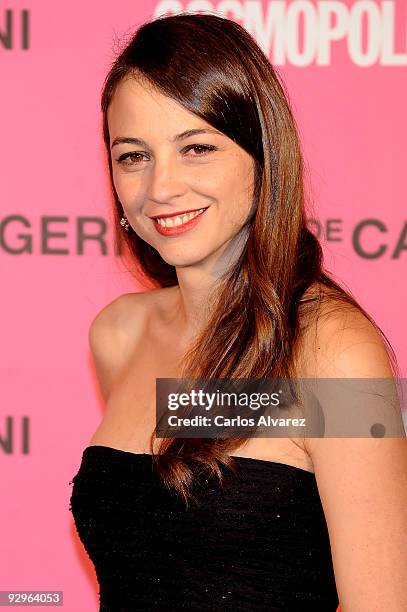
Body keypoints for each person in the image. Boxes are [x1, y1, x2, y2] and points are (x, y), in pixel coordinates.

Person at [69, 12, 407, 611]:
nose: (162, 187)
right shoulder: (119, 335)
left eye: (196, 148)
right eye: (133, 156)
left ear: (263, 156)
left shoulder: (336, 355)